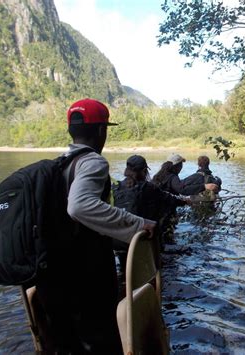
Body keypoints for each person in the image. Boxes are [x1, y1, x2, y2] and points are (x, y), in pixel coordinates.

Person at [35, 98, 156, 354]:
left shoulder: (58, 164)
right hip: (84, 273)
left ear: (71, 129)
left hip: (53, 271)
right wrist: (139, 224)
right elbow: (79, 206)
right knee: (101, 341)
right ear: (102, 130)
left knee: (66, 343)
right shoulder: (92, 161)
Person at [112, 154, 188, 285]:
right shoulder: (149, 188)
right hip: (141, 240)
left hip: (119, 240)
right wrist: (186, 201)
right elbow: (169, 199)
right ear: (143, 171)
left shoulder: (115, 188)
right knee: (148, 274)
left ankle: (126, 287)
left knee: (126, 271)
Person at [152, 153, 219, 196]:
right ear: (177, 166)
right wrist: (204, 186)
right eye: (181, 164)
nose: (181, 167)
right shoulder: (173, 177)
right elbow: (182, 189)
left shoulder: (158, 175)